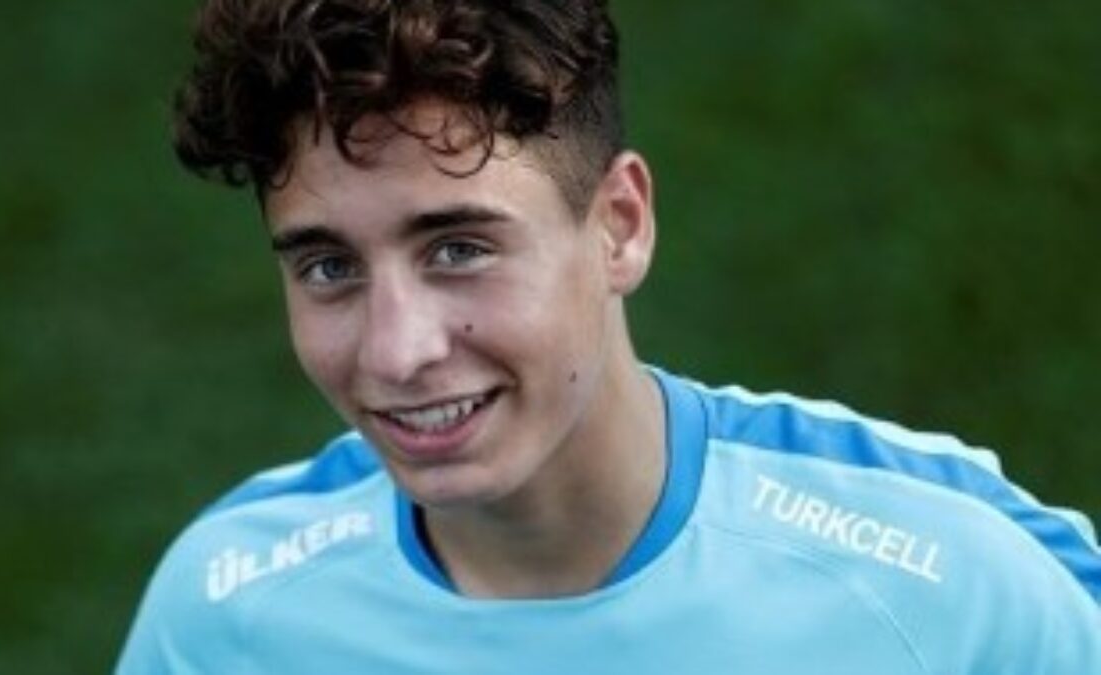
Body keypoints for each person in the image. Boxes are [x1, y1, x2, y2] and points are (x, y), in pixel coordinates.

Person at [117, 0, 1101, 672]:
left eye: (459, 249)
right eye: (329, 267)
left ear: (619, 226)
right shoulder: (226, 613)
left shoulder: (953, 581)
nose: (396, 352)